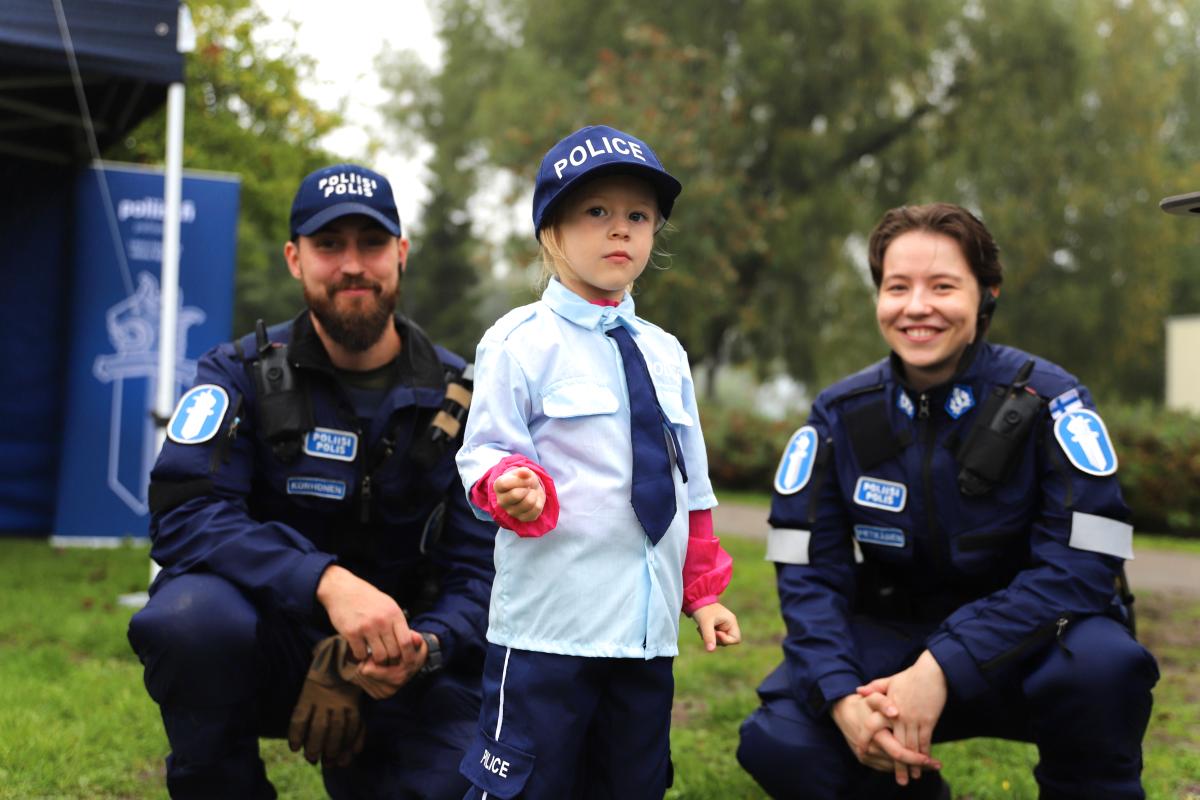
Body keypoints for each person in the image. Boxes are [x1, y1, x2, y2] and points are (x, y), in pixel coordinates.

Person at [737, 202, 1158, 799]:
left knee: (1103, 669)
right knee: (779, 738)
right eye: (897, 286)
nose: (916, 307)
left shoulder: (1052, 401)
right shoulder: (840, 415)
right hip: (895, 639)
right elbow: (806, 572)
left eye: (942, 286)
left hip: (1035, 643)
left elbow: (1085, 567)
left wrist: (941, 666)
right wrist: (837, 692)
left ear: (987, 294)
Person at [127, 163, 497, 799]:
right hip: (272, 645)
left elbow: (484, 570)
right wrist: (324, 583)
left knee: (465, 786)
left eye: (371, 243)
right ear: (296, 259)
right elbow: (184, 512)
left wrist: (423, 646)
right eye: (329, 245)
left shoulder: (465, 397)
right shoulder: (238, 372)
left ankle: (379, 761)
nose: (353, 265)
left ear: (401, 254)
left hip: (405, 660)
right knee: (187, 619)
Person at [454, 125, 741, 799]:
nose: (621, 231)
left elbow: (689, 484)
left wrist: (704, 594)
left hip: (644, 635)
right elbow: (484, 453)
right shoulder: (520, 342)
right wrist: (508, 484)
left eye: (638, 216)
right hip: (549, 630)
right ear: (552, 228)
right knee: (525, 786)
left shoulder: (665, 353)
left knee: (630, 783)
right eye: (598, 213)